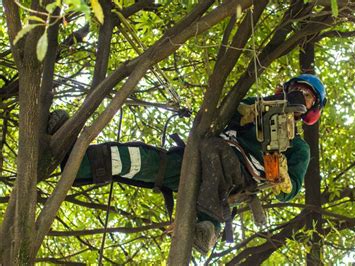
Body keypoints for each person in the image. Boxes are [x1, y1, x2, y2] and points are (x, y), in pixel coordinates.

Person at [50, 74, 326, 254]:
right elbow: (222, 111)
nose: (300, 95)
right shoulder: (256, 103)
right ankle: (78, 162)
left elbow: (293, 189)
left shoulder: (299, 148)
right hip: (199, 160)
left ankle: (208, 227)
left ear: (311, 109)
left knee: (215, 149)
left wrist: (283, 180)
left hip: (238, 175)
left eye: (308, 95)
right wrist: (247, 112)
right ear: (286, 89)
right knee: (145, 160)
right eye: (298, 89)